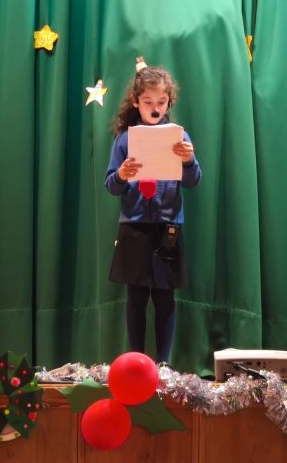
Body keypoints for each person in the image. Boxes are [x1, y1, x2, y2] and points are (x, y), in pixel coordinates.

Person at [104, 65, 201, 364]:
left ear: (170, 102)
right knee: (136, 297)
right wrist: (121, 175)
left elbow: (193, 181)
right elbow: (111, 186)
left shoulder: (179, 137)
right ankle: (135, 360)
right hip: (134, 227)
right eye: (148, 102)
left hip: (168, 225)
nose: (155, 108)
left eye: (161, 102)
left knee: (164, 296)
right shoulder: (124, 139)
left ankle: (163, 362)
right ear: (136, 102)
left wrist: (189, 160)